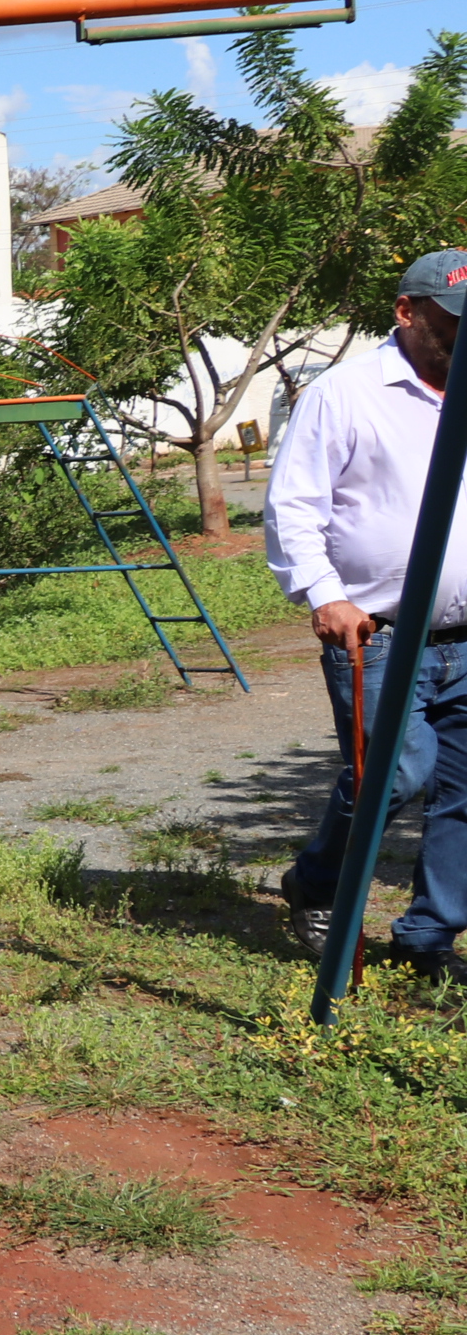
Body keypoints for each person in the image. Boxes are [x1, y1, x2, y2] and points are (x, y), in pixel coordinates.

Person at [268, 249, 467, 975]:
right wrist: (326, 594)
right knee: (393, 774)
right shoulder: (345, 393)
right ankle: (317, 885)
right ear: (406, 311)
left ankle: (430, 936)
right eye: (451, 322)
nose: (460, 337)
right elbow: (294, 505)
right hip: (379, 633)